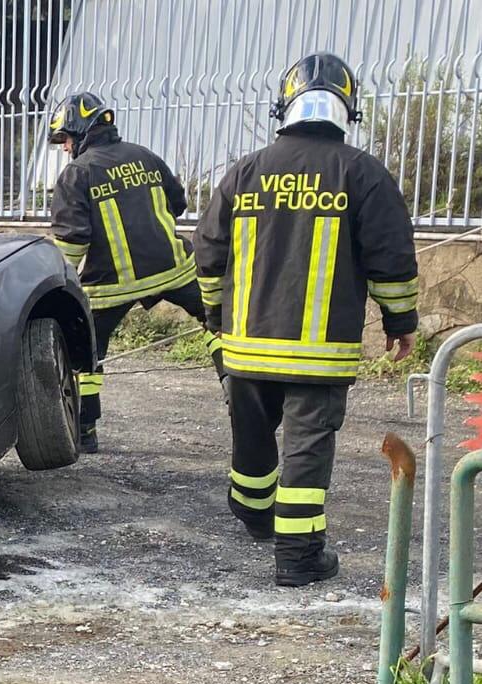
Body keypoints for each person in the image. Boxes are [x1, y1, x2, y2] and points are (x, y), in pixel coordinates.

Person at [195, 52, 418, 587]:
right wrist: (399, 321)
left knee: (252, 434)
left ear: (285, 107)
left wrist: (213, 313)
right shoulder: (362, 173)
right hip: (320, 352)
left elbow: (208, 251)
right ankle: (298, 556)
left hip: (245, 345)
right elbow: (390, 257)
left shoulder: (245, 170)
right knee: (306, 447)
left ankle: (252, 514)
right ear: (348, 107)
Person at [48, 91, 221, 453]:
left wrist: (57, 284)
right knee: (217, 321)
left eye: (64, 138)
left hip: (109, 286)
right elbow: (178, 204)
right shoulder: (145, 156)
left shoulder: (76, 174)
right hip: (173, 269)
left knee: (85, 352)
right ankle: (241, 399)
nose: (64, 148)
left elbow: (73, 243)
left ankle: (85, 431)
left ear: (79, 132)